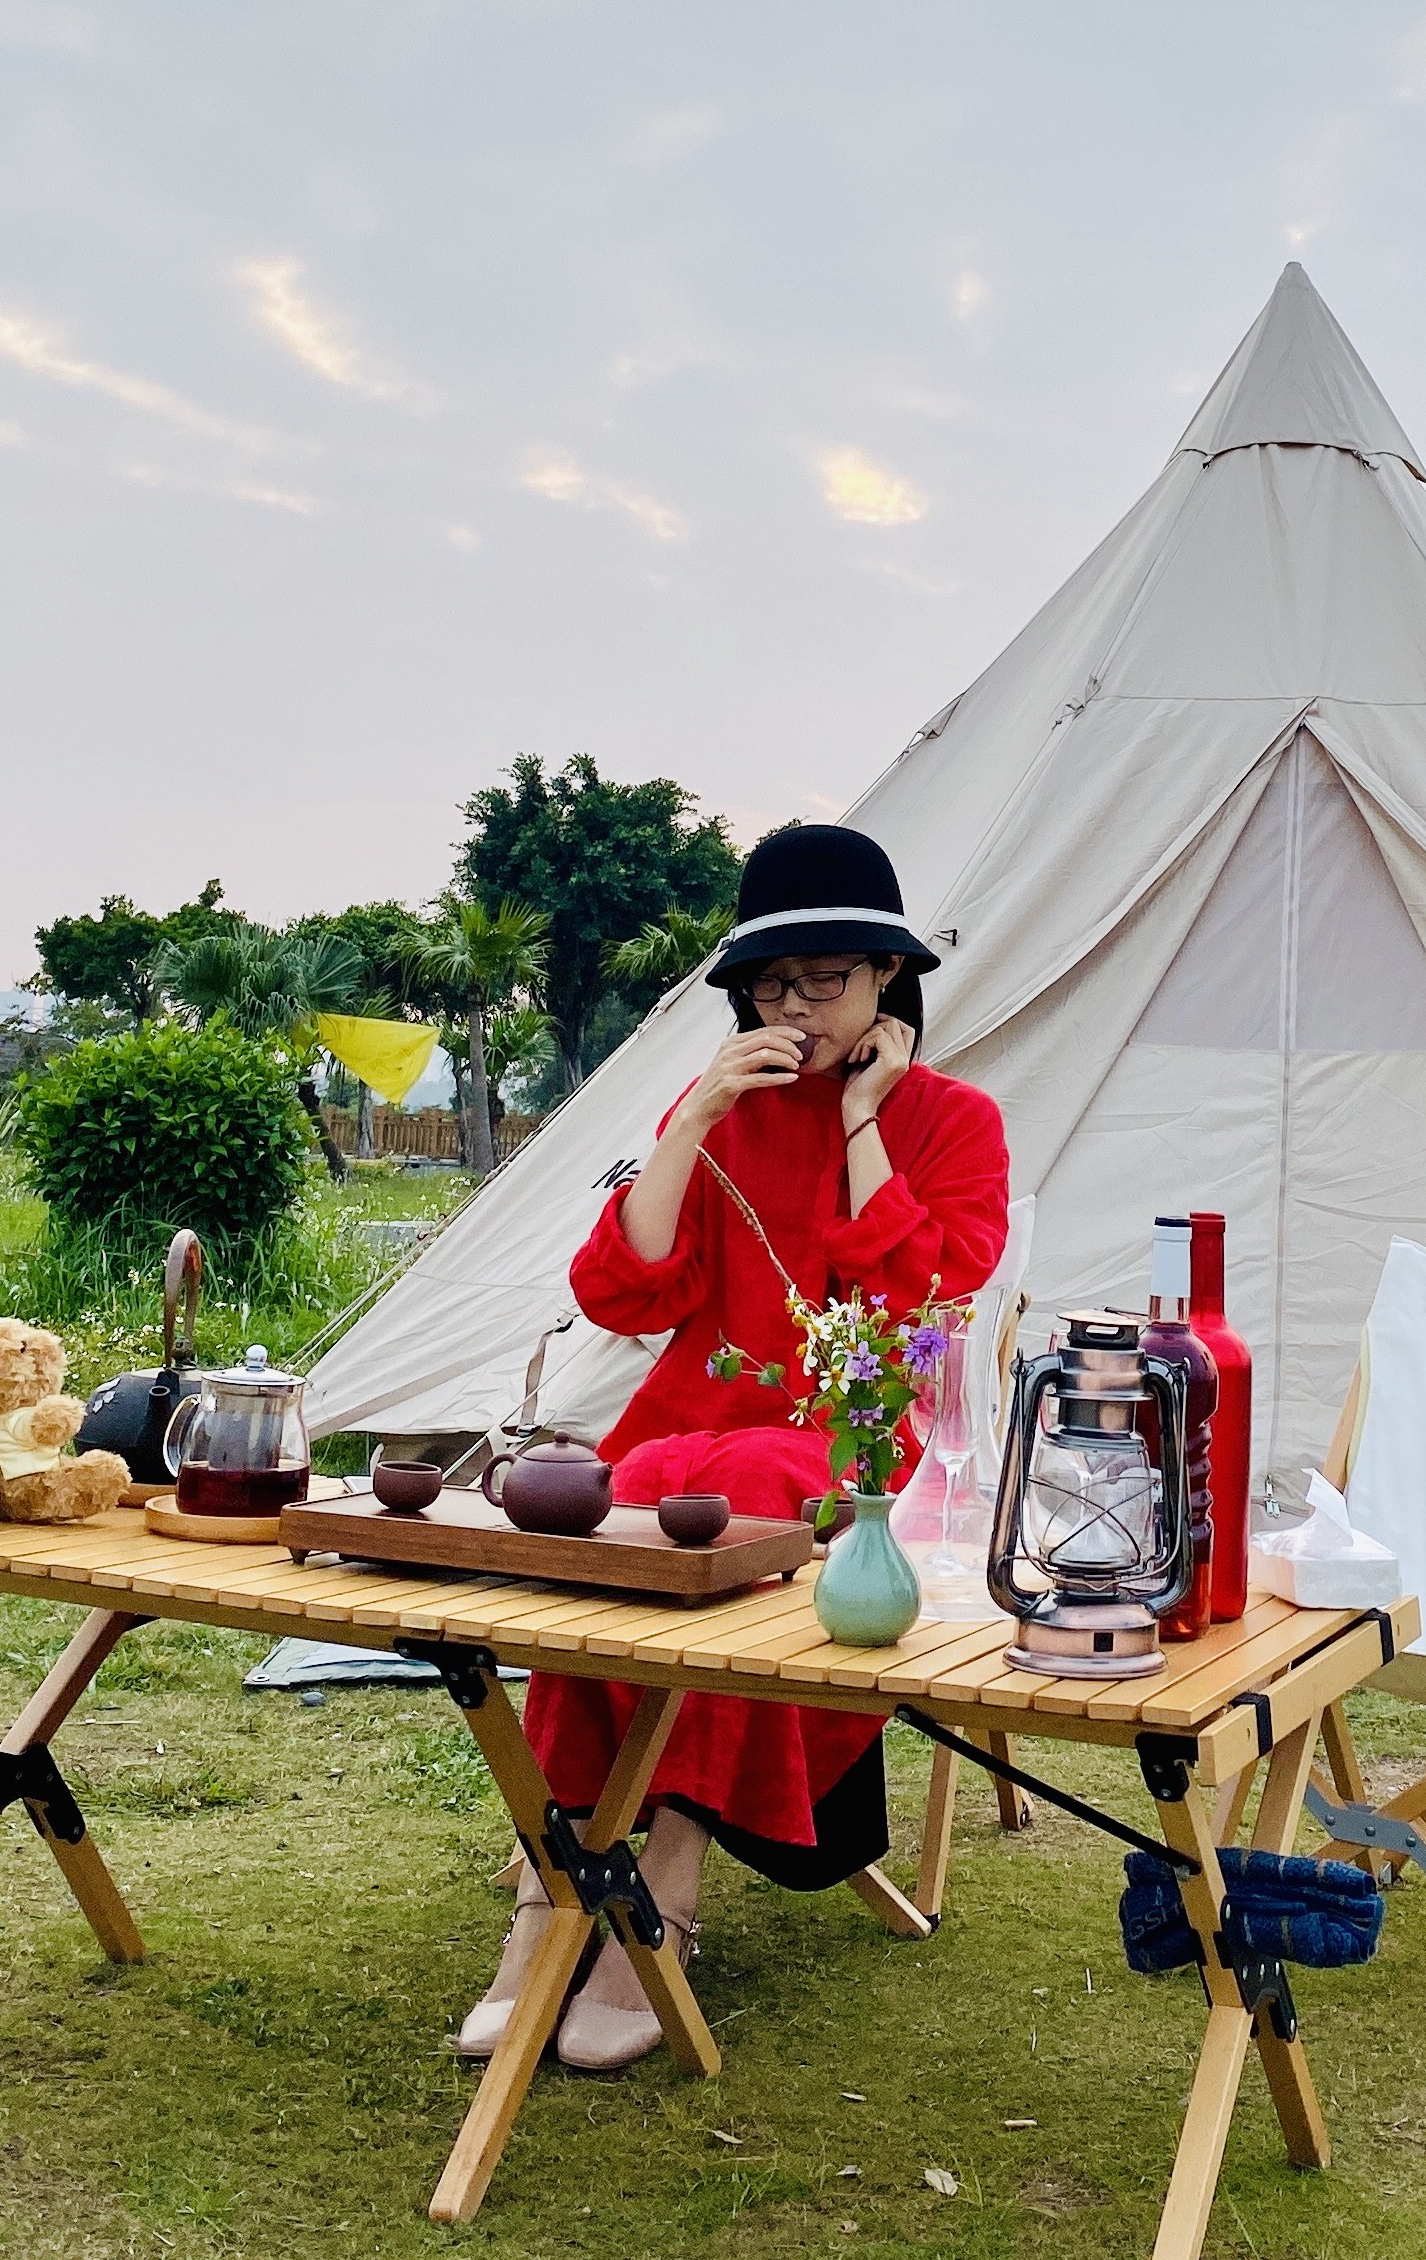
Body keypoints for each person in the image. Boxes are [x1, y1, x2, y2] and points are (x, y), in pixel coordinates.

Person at [456, 823, 1006, 2074]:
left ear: (886, 978)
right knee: (618, 1508)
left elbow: (917, 1300)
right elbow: (622, 1291)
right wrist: (698, 1112)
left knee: (745, 1491)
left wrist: (861, 1118)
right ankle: (550, 1886)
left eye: (825, 980)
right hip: (693, 1422)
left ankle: (667, 1878)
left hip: (854, 1437)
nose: (796, 1007)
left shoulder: (954, 1120)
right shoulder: (720, 1110)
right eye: (771, 985)